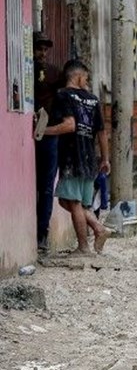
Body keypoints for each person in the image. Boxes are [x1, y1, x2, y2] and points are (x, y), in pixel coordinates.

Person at [42, 60, 111, 255]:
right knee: (73, 202)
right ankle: (98, 228)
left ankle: (84, 245)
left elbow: (69, 125)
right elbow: (102, 132)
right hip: (90, 159)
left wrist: (44, 131)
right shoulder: (93, 99)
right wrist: (105, 159)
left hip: (72, 157)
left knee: (73, 203)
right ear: (78, 76)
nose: (86, 82)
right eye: (86, 78)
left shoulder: (63, 95)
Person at [32, 31, 61, 255]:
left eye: (44, 49)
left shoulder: (53, 72)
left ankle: (42, 232)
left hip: (49, 135)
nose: (42, 52)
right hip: (32, 133)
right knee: (36, 185)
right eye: (38, 48)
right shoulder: (26, 70)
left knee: (46, 186)